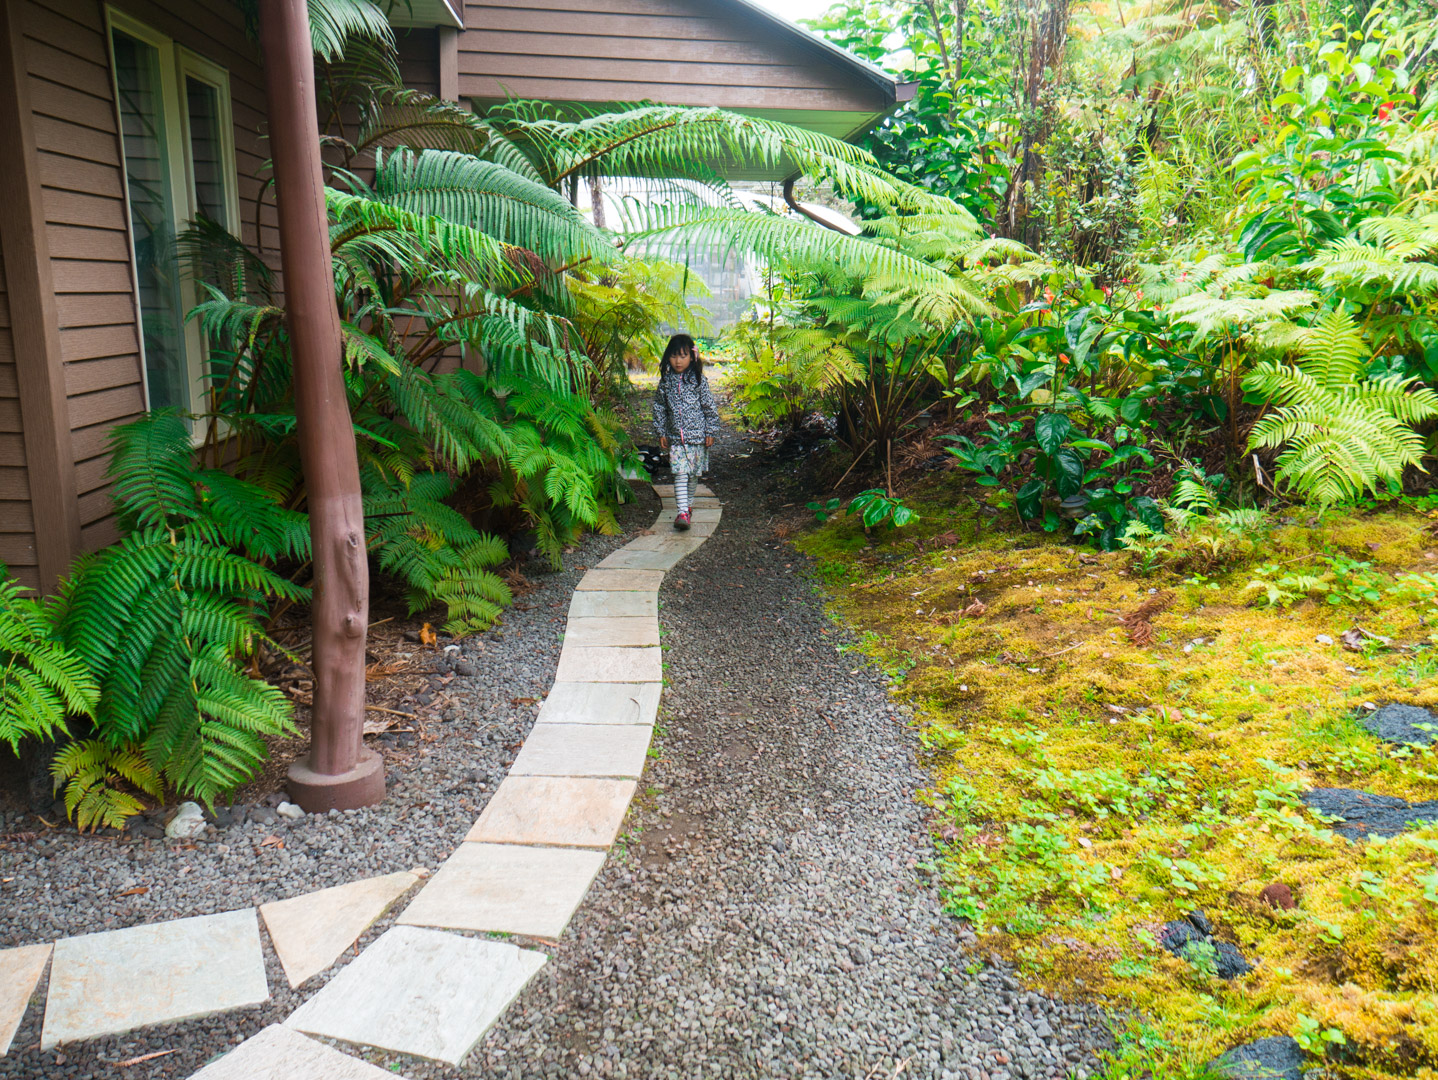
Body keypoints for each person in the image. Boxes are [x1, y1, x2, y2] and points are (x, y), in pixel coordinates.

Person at [652, 333, 720, 530]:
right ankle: (682, 512)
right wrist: (661, 431)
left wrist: (710, 431)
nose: (678, 361)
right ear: (667, 357)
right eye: (673, 356)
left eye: (682, 356)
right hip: (676, 439)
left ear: (692, 357)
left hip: (697, 438)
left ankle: (687, 507)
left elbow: (709, 407)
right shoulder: (666, 382)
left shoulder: (698, 380)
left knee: (692, 476)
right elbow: (659, 407)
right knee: (680, 474)